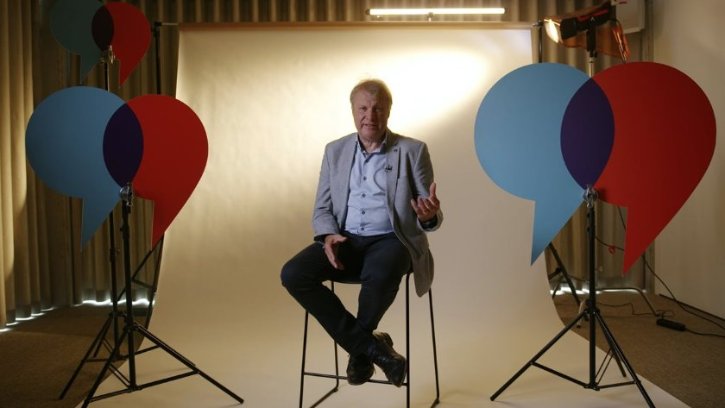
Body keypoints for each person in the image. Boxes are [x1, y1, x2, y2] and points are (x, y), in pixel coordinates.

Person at [281, 79, 442, 387]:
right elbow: (322, 208)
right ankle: (374, 349)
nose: (370, 116)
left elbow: (428, 208)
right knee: (293, 273)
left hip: (392, 239)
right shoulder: (335, 151)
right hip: (346, 239)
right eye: (363, 108)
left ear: (389, 111)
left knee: (382, 270)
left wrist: (429, 216)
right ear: (353, 111)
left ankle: (361, 352)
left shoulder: (413, 150)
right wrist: (328, 236)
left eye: (378, 109)